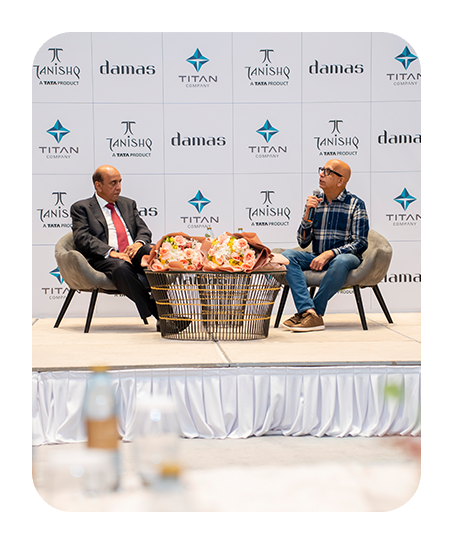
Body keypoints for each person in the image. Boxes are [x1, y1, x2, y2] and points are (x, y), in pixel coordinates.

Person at [282, 160, 369, 332]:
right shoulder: (316, 203)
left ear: (340, 180)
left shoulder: (355, 204)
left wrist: (331, 253)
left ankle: (314, 313)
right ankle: (308, 311)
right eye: (322, 170)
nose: (321, 174)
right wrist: (307, 215)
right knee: (287, 256)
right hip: (317, 256)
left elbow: (360, 242)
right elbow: (303, 242)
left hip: (346, 258)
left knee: (341, 260)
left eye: (328, 171)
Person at [70, 165, 160, 327]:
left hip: (133, 253)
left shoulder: (128, 204)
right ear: (98, 186)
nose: (118, 187)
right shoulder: (82, 208)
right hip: (104, 258)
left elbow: (144, 230)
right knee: (121, 267)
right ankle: (162, 315)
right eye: (113, 183)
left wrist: (138, 244)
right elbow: (82, 238)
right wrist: (111, 252)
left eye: (120, 182)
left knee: (152, 252)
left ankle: (169, 310)